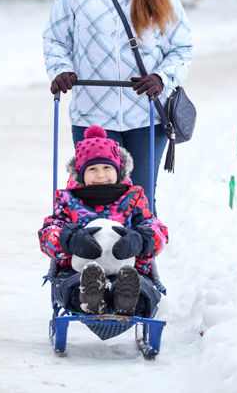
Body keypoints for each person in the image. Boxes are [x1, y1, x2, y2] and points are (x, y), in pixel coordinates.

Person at [43, 0, 192, 207]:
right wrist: (60, 69)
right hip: (93, 116)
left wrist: (162, 78)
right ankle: (94, 254)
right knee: (95, 199)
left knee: (140, 201)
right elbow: (56, 39)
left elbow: (182, 49)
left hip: (146, 117)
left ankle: (143, 253)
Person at [39, 125, 168, 317]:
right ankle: (91, 298)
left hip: (127, 267)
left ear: (118, 169)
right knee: (69, 286)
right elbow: (49, 231)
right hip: (79, 271)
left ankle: (125, 299)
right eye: (92, 169)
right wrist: (69, 241)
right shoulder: (68, 200)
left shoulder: (133, 198)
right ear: (81, 173)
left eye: (107, 167)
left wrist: (141, 240)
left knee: (142, 287)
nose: (100, 175)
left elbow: (157, 229)